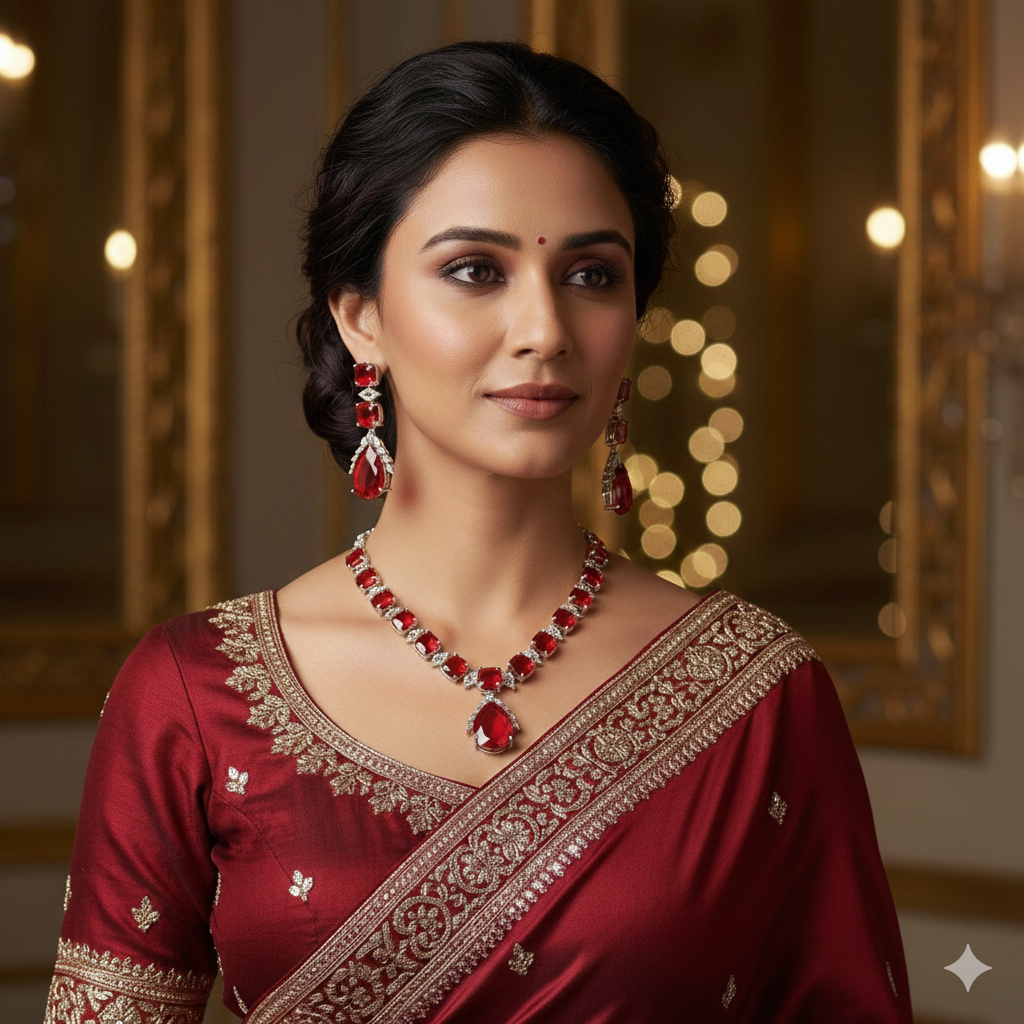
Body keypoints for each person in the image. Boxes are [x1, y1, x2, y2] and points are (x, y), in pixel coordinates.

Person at [45, 41, 911, 1024]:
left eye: (592, 274)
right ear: (360, 317)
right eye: (474, 270)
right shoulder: (195, 691)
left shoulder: (758, 694)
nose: (544, 329)